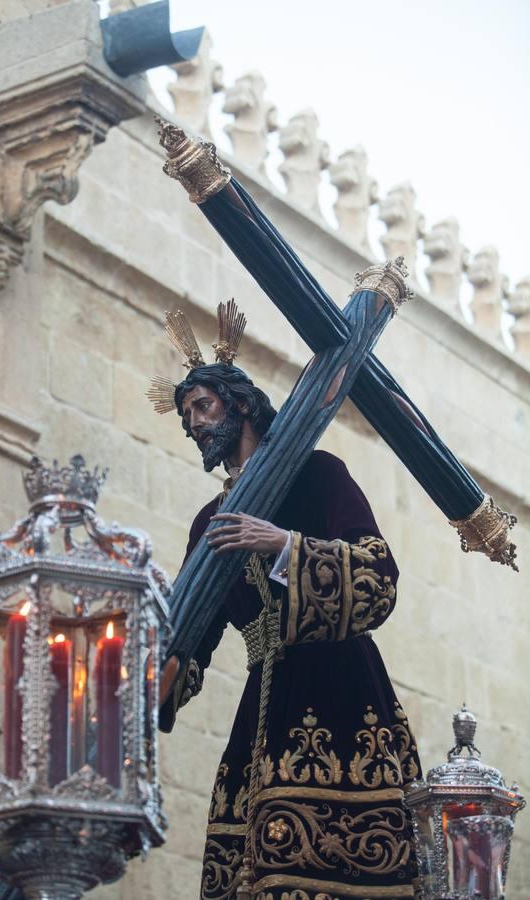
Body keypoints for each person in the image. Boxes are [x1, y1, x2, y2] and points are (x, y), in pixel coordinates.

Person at [152, 303, 421, 900]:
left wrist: (282, 544)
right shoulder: (209, 522)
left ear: (241, 403)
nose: (194, 423)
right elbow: (191, 635)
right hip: (263, 711)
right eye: (186, 415)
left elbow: (378, 574)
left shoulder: (317, 474)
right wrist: (152, 681)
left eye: (203, 406)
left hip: (343, 692)